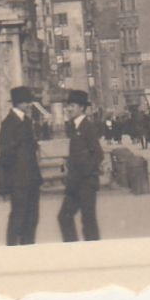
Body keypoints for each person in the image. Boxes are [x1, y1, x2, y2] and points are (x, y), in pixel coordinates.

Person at [0, 86, 43, 246]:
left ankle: (27, 247)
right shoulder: (9, 123)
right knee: (18, 216)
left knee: (32, 217)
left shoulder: (26, 121)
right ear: (18, 103)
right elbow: (5, 153)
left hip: (31, 177)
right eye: (26, 102)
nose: (29, 105)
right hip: (19, 179)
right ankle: (13, 250)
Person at [57, 89, 102, 242]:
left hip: (85, 183)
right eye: (68, 105)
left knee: (87, 221)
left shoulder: (87, 127)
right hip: (76, 183)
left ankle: (93, 255)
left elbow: (98, 154)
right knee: (65, 217)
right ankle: (75, 251)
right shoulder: (75, 126)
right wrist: (69, 161)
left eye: (73, 106)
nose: (69, 109)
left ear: (82, 108)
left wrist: (83, 171)